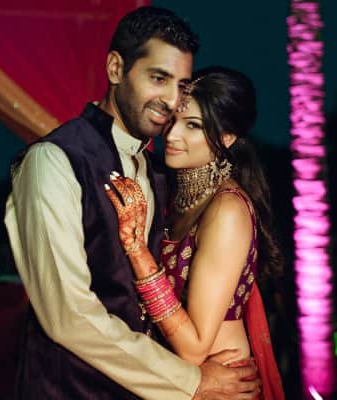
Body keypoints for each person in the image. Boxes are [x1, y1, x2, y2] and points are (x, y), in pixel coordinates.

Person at [5, 7, 260, 400]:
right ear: (115, 68)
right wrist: (190, 381)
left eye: (181, 85)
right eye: (158, 78)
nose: (171, 100)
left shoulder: (157, 175)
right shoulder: (54, 161)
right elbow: (68, 316)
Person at [106, 66, 286, 399]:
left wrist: (136, 249)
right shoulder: (177, 197)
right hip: (183, 384)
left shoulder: (226, 210)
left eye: (193, 125)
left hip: (221, 387)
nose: (172, 135)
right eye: (172, 119)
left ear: (227, 137)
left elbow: (194, 347)